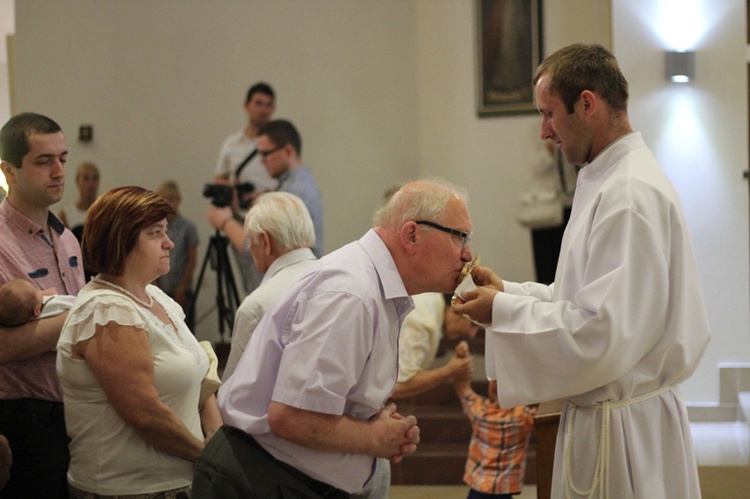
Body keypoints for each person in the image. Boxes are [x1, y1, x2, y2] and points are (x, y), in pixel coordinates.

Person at [453, 43, 712, 498]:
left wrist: (505, 312)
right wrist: (509, 294)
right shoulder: (606, 177)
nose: (543, 131)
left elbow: (599, 333)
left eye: (549, 113)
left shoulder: (628, 193)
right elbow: (581, 299)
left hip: (625, 435)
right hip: (611, 419)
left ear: (587, 103)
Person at [193, 178, 474, 497]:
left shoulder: (371, 287)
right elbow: (292, 417)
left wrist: (371, 420)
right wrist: (374, 438)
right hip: (260, 479)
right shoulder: (352, 293)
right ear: (411, 234)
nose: (467, 255)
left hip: (284, 476)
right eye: (460, 237)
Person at [56, 186, 223, 497]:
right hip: (130, 489)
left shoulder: (155, 296)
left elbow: (201, 374)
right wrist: (212, 459)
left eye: (166, 230)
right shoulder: (106, 309)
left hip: (180, 482)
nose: (169, 242)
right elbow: (145, 415)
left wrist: (215, 436)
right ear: (122, 241)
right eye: (155, 232)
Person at [0, 111, 85, 499]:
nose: (59, 171)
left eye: (63, 159)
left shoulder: (66, 238)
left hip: (75, 411)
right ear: (9, 170)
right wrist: (87, 313)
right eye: (43, 161)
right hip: (23, 418)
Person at [219, 191, 317, 381]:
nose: (249, 248)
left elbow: (232, 394)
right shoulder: (338, 281)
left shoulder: (257, 307)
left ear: (265, 242)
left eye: (251, 239)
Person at [214, 119, 325, 262]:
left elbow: (260, 250)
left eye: (266, 154)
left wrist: (225, 221)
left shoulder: (292, 193)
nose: (261, 160)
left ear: (287, 151)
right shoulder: (294, 186)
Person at [214, 82, 279, 293]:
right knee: (251, 288)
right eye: (258, 103)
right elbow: (220, 180)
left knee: (273, 287)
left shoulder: (278, 142)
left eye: (268, 105)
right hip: (243, 220)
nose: (263, 109)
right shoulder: (232, 145)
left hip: (274, 220)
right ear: (246, 106)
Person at [453, 342, 537, 499]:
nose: (493, 383)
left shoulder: (478, 409)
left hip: (480, 482)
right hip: (504, 487)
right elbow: (543, 404)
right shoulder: (522, 416)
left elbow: (462, 386)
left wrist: (461, 357)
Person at [155, 180, 200, 328]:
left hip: (182, 289)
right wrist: (154, 287)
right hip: (161, 288)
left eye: (172, 198)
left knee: (184, 328)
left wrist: (182, 288)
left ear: (179, 200)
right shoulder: (154, 227)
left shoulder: (188, 227)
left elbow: (191, 260)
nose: (168, 203)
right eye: (164, 199)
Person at [0, 279, 74, 327]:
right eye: (36, 291)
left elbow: (34, 299)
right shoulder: (53, 304)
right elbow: (77, 304)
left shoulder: (20, 319)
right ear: (37, 311)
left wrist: (42, 294)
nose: (40, 291)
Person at [58, 161, 100, 241]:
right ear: (78, 181)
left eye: (95, 178)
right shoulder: (67, 213)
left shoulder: (106, 211)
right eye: (86, 178)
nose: (91, 184)